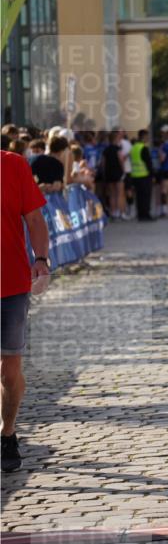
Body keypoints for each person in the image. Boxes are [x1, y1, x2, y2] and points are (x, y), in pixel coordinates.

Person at [1, 149, 50, 472]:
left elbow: (34, 218)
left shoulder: (13, 165)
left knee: (9, 371)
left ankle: (8, 433)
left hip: (11, 283)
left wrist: (42, 260)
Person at [130, 129, 155, 221]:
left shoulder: (133, 147)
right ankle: (146, 215)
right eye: (147, 136)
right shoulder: (143, 148)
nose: (148, 138)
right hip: (144, 175)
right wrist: (153, 175)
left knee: (139, 197)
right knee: (146, 197)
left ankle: (140, 215)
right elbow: (148, 163)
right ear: (143, 137)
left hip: (135, 176)